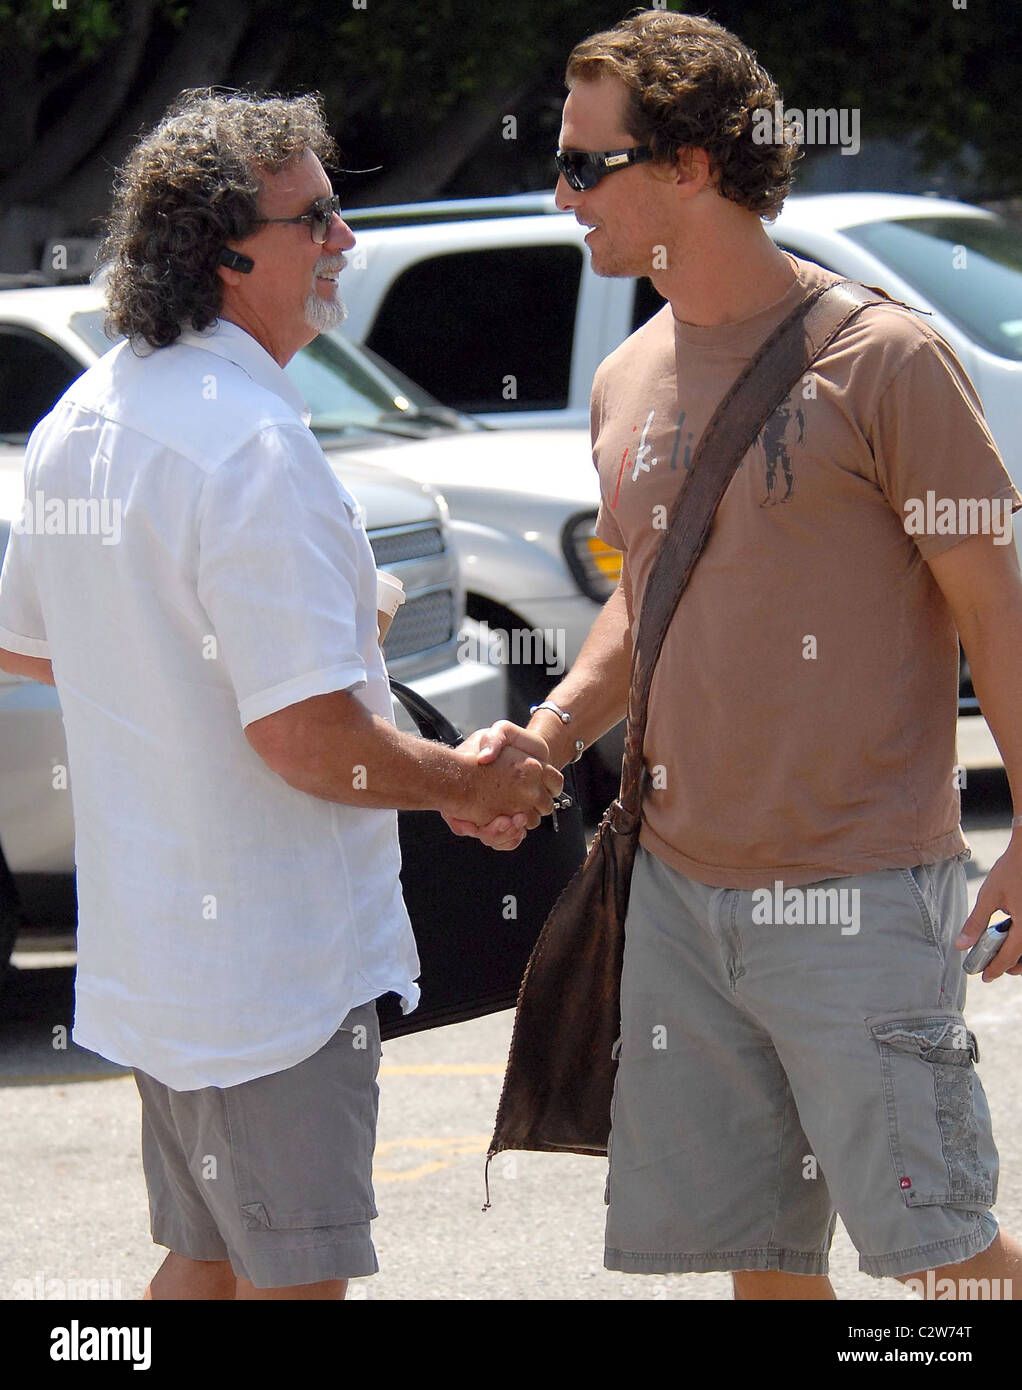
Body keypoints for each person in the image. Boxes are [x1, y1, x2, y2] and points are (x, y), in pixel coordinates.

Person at [448, 11, 1022, 1300]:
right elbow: (644, 599)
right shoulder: (628, 374)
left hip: (858, 891)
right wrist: (546, 736)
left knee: (949, 1261)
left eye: (585, 165)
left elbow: (996, 610)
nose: (561, 195)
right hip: (677, 895)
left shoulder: (889, 360)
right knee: (758, 1267)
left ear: (691, 165)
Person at [0, 88, 561, 1301]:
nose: (343, 241)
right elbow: (306, 741)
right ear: (220, 251)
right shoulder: (251, 444)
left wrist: (259, 646)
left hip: (166, 958)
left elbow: (41, 641)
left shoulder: (84, 416)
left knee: (202, 1263)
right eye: (315, 217)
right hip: (268, 971)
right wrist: (466, 781)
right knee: (286, 1283)